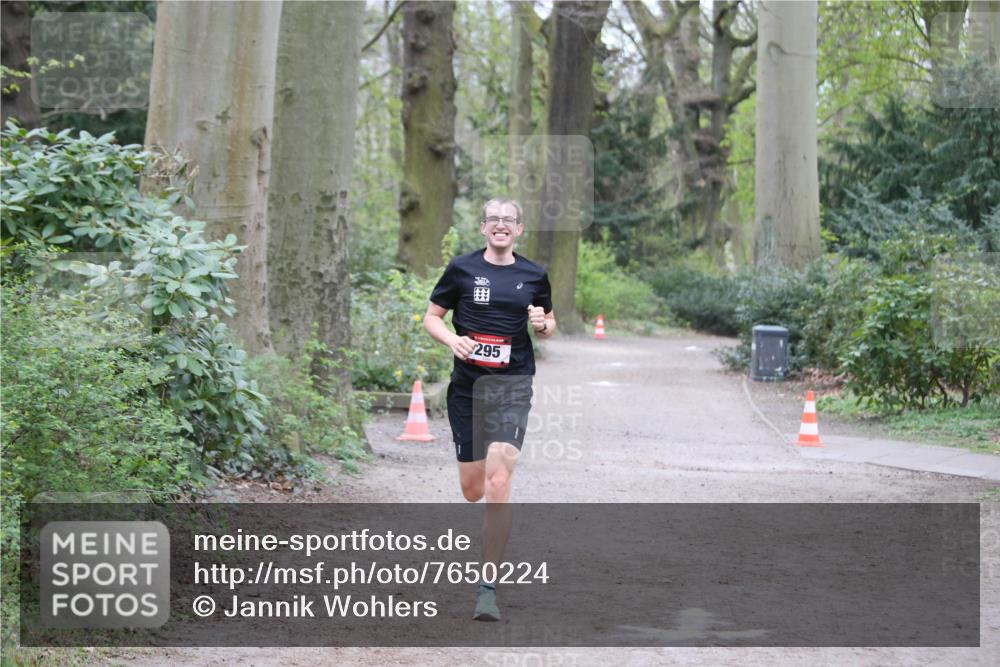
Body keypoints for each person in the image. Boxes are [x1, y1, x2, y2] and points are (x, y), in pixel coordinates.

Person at [423, 197, 556, 621]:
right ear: (483, 227)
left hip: (513, 385)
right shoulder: (462, 270)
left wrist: (542, 325)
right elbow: (432, 317)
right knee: (473, 488)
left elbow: (549, 324)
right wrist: (452, 340)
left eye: (509, 220)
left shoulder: (534, 274)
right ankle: (475, 483)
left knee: (499, 480)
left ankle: (487, 589)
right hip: (467, 389)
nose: (501, 225)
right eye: (494, 219)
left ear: (519, 229)